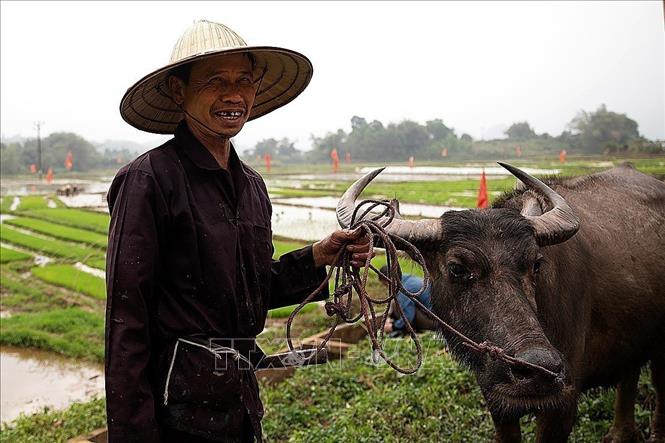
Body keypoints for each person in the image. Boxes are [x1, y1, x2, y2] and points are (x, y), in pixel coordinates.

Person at [106, 20, 371, 443]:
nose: (233, 95)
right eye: (215, 81)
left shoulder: (250, 185)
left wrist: (320, 255)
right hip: (174, 412)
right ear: (179, 92)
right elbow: (126, 319)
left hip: (239, 403)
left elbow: (252, 288)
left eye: (243, 81)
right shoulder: (149, 180)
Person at [378, 265, 436, 335]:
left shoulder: (404, 289)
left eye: (385, 284)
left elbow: (408, 317)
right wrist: (390, 317)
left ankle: (407, 329)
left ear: (387, 281)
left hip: (437, 323)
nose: (386, 287)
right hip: (441, 318)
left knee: (397, 305)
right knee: (397, 302)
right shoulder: (408, 279)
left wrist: (393, 327)